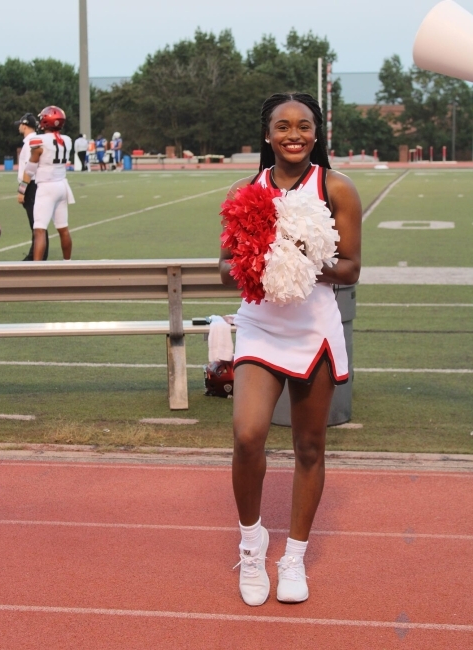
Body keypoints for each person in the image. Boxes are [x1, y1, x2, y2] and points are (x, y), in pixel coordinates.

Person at [219, 92, 362, 607]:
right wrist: (259, 256)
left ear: (317, 134)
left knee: (309, 447)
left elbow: (349, 269)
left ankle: (294, 555)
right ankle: (252, 543)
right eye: (283, 126)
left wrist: (298, 260)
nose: (294, 134)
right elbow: (223, 268)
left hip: (314, 327)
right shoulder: (244, 191)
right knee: (248, 434)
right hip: (261, 324)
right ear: (267, 134)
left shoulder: (337, 189)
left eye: (304, 126)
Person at [17, 105, 74, 261]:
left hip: (46, 187)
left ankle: (36, 269)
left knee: (39, 229)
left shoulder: (39, 141)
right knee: (63, 229)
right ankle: (67, 264)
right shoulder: (67, 141)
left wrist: (22, 189)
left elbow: (30, 169)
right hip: (62, 186)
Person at [15, 112, 48, 261]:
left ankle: (36, 256)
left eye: (20, 124)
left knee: (36, 223)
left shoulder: (31, 142)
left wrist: (22, 189)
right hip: (34, 184)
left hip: (31, 185)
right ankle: (37, 254)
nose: (19, 127)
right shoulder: (33, 141)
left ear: (25, 125)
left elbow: (30, 169)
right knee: (37, 222)